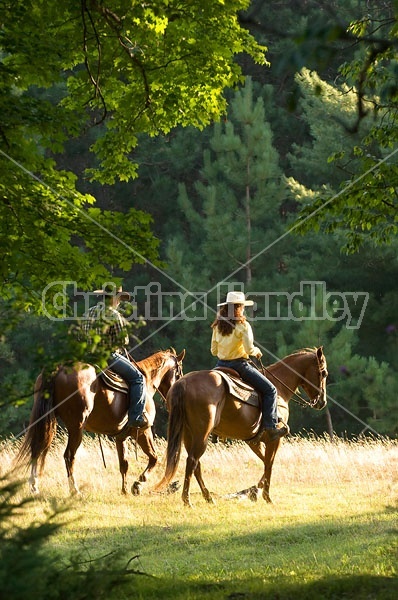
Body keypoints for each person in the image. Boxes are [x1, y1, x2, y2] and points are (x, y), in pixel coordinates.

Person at [210, 291, 288, 442]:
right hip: (239, 365)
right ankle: (271, 427)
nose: (244, 310)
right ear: (239, 308)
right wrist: (257, 352)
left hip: (219, 366)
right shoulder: (243, 325)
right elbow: (249, 349)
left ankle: (216, 431)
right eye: (242, 307)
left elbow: (213, 351)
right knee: (270, 390)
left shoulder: (217, 326)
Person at [82, 283, 148, 430]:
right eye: (119, 300)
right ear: (114, 299)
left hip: (87, 356)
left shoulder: (88, 313)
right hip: (108, 357)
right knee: (138, 378)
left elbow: (81, 337)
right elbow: (122, 341)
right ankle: (135, 416)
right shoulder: (114, 315)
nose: (119, 303)